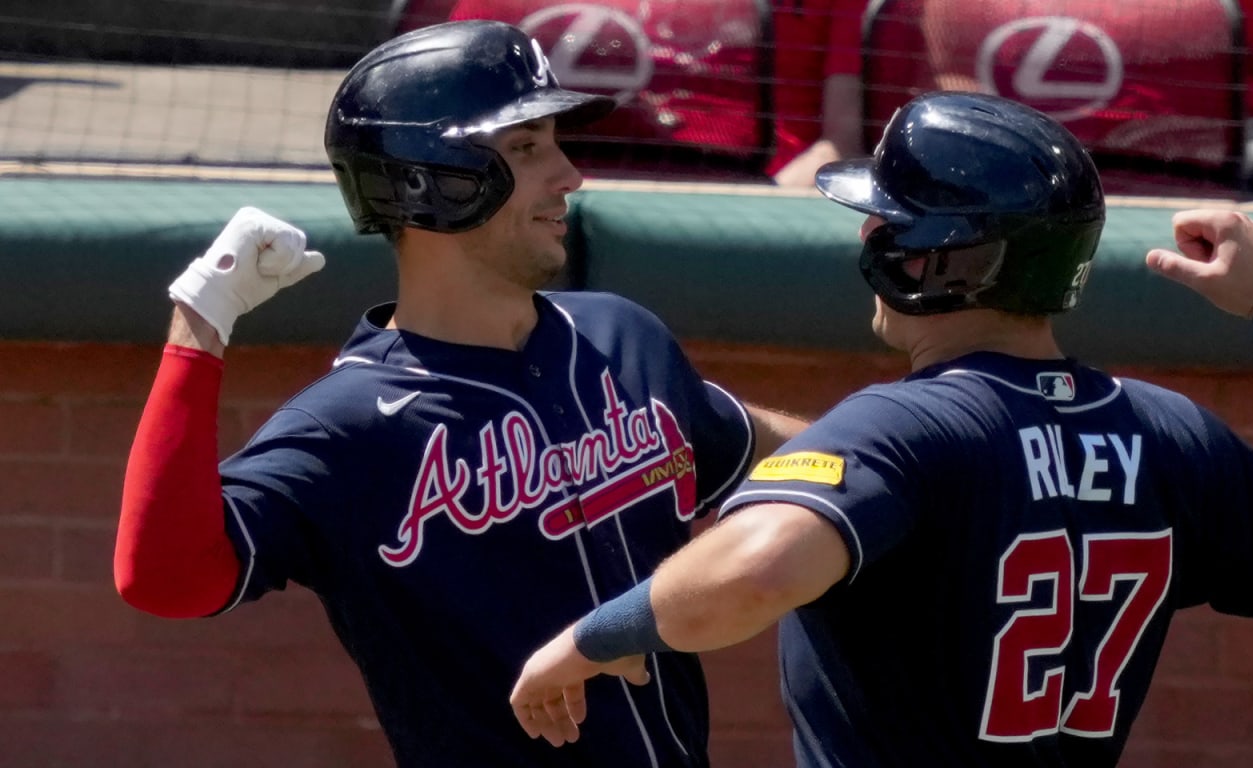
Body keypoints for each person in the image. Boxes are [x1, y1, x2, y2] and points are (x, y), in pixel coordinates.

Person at [508, 91, 1253, 766]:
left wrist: (587, 641)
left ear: (938, 259)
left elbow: (753, 574)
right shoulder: (1169, 430)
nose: (873, 235)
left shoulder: (903, 423)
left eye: (891, 221)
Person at [113, 20, 805, 768]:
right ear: (433, 179)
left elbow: (770, 447)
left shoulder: (619, 339)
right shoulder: (349, 428)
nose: (569, 176)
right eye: (528, 148)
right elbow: (163, 580)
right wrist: (199, 325)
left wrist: (902, 446)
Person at [765, 0, 866, 187]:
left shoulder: (849, 6)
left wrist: (760, 201)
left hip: (779, 183)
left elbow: (841, 145)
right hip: (701, 163)